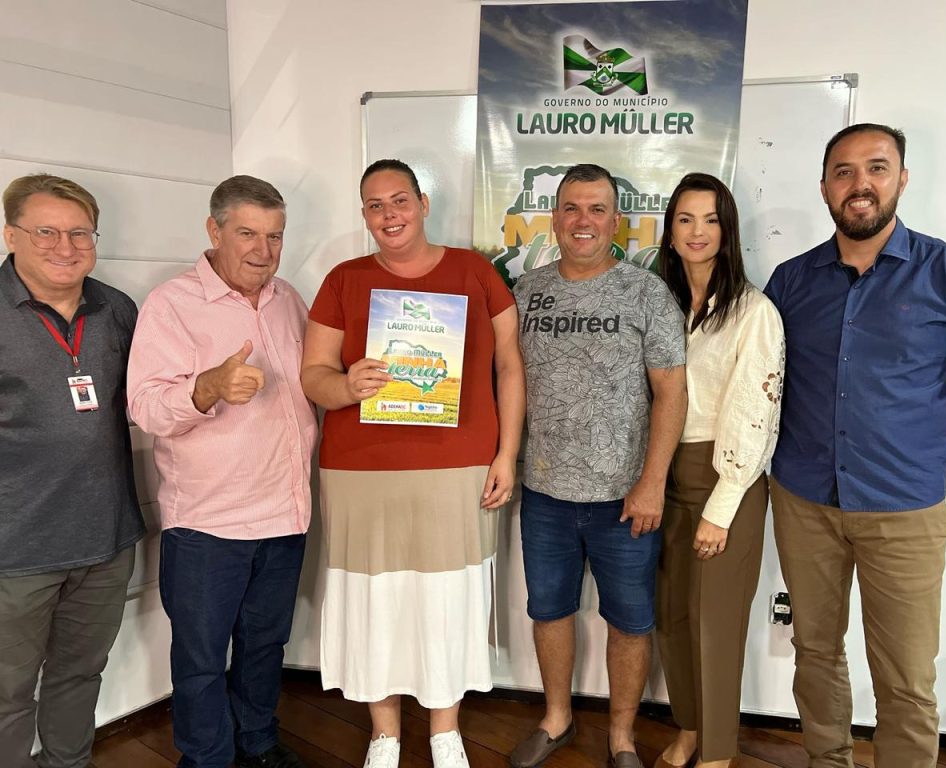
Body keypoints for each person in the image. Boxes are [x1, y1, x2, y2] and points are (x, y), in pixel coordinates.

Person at [764, 123, 946, 768]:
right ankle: (828, 759)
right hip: (805, 500)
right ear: (824, 187)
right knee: (815, 651)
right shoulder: (791, 281)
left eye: (876, 168)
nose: (860, 184)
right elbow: (762, 382)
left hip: (904, 508)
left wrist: (919, 449)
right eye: (843, 171)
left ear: (901, 179)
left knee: (905, 672)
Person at [301, 159, 525, 768]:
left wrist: (506, 453)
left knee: (446, 597)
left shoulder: (475, 272)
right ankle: (385, 734)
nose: (389, 214)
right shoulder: (343, 280)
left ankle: (445, 731)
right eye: (375, 205)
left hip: (458, 465)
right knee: (375, 599)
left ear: (423, 204)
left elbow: (510, 365)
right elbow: (313, 375)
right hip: (361, 470)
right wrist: (346, 386)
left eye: (399, 200)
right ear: (364, 215)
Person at [127, 175, 317, 768]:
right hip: (208, 525)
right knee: (202, 658)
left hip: (285, 513)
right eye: (247, 234)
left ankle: (258, 742)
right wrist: (207, 386)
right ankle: (207, 758)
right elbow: (145, 407)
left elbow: (312, 384)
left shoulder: (288, 299)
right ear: (214, 230)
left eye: (275, 236)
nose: (263, 250)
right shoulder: (171, 303)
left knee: (265, 644)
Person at [511, 163, 687, 768]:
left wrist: (652, 483)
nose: (582, 221)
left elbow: (671, 393)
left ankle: (622, 738)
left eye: (596, 209)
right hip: (544, 492)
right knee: (548, 611)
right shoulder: (526, 292)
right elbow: (506, 381)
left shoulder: (647, 294)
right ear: (554, 218)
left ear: (616, 222)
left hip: (626, 497)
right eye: (570, 208)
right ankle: (556, 718)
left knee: (631, 622)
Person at [0, 174, 144, 768]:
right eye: (46, 232)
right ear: (11, 235)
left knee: (80, 673)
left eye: (80, 232)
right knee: (6, 694)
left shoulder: (117, 309)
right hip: (15, 549)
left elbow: (153, 398)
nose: (66, 246)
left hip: (106, 539)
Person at [652, 173, 784, 768]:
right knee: (672, 617)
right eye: (685, 219)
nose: (697, 231)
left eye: (710, 220)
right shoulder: (661, 303)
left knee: (716, 624)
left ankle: (718, 751)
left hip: (727, 476)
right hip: (665, 473)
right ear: (670, 231)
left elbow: (757, 412)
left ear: (727, 231)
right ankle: (688, 726)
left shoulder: (753, 311)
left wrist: (723, 505)